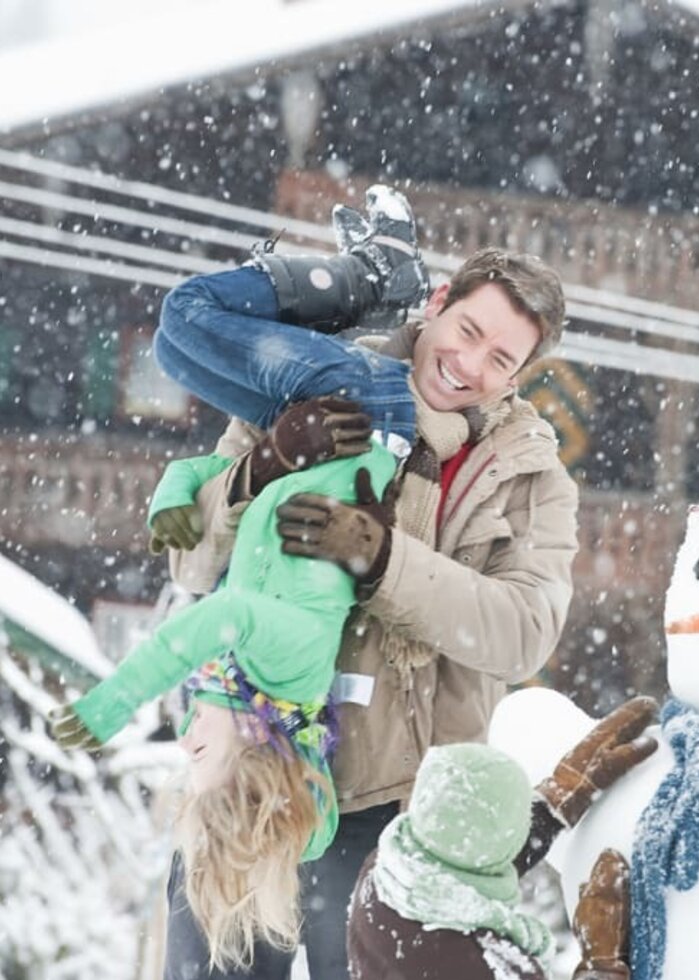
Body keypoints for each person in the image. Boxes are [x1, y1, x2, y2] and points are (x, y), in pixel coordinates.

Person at [151, 186, 579, 979]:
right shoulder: (315, 388)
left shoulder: (531, 479)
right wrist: (267, 462)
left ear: (524, 374)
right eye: (468, 331)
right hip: (252, 765)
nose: (469, 364)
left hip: (393, 807)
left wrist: (384, 563)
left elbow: (522, 631)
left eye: (501, 359)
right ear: (439, 303)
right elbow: (192, 559)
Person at [48, 423, 406, 970]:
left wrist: (173, 499)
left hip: (306, 413)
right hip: (370, 410)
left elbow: (193, 472)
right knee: (187, 343)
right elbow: (224, 613)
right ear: (254, 746)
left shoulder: (225, 683)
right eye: (199, 751)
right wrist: (114, 703)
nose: (185, 735)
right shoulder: (289, 669)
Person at [348, 697, 658, 980]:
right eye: (518, 823)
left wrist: (553, 805)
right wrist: (601, 967)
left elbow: (465, 847)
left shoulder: (386, 874)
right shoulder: (488, 964)